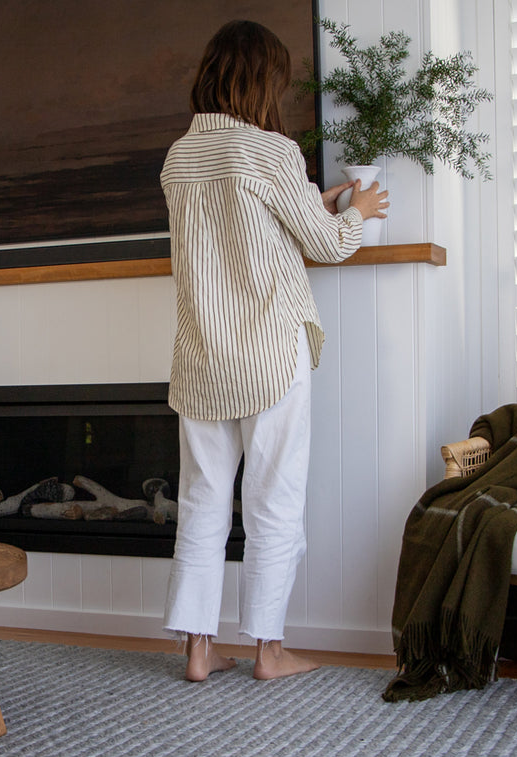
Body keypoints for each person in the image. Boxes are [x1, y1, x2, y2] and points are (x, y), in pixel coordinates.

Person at [161, 20, 388, 682]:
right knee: (273, 497)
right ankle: (268, 649)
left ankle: (197, 649)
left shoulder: (179, 156)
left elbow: (241, 225)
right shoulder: (271, 151)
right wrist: (359, 209)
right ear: (264, 80)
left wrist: (315, 203)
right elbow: (323, 244)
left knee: (203, 498)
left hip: (201, 353)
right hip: (265, 353)